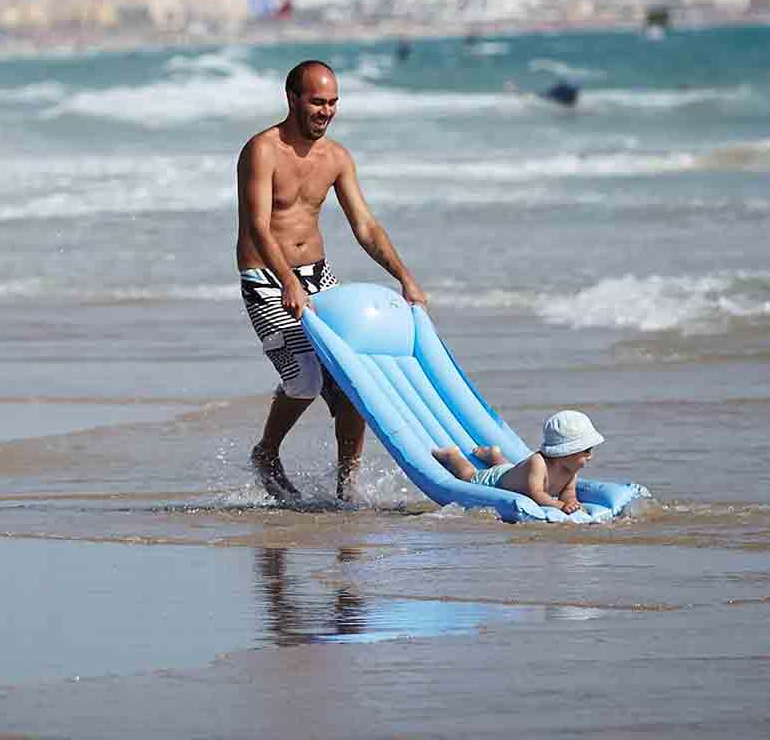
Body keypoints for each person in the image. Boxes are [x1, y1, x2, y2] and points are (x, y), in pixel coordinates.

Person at [238, 59, 427, 502]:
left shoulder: (337, 158)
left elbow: (366, 226)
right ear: (293, 99)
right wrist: (287, 280)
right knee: (303, 378)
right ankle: (266, 453)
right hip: (267, 276)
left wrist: (405, 277)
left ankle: (347, 487)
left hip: (318, 275)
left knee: (351, 381)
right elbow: (258, 226)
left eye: (333, 103)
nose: (326, 111)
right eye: (317, 102)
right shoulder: (262, 150)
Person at [431, 410, 604, 515]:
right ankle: (453, 456)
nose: (590, 457)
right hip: (497, 480)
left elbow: (568, 494)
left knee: (508, 469)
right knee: (469, 476)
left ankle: (494, 455)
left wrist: (571, 503)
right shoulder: (538, 463)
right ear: (567, 452)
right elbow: (535, 494)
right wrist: (560, 506)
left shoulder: (570, 470)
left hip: (510, 473)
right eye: (586, 451)